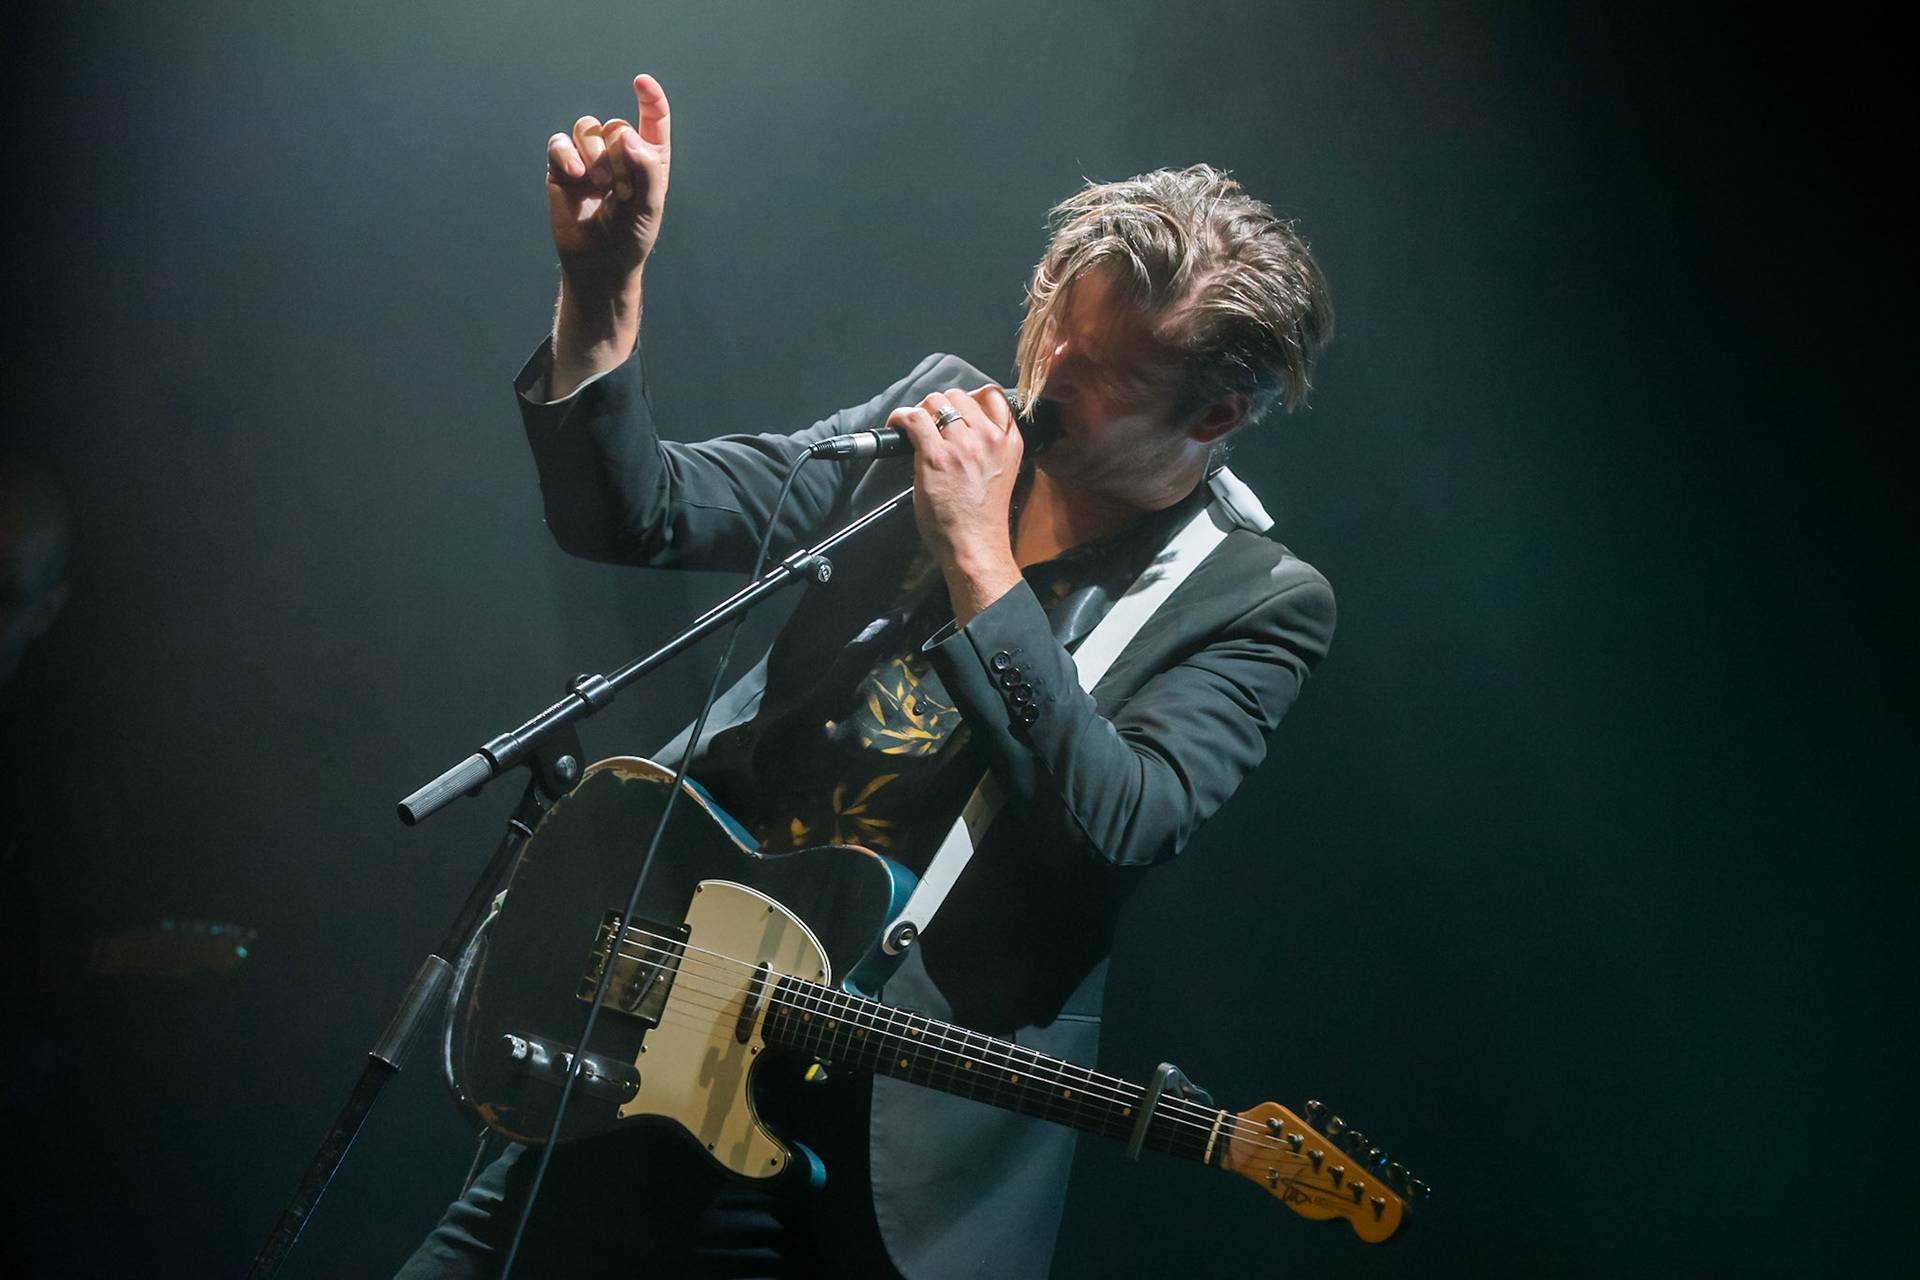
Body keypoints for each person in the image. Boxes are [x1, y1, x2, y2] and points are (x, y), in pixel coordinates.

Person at [400, 73, 1335, 1279]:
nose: (1046, 371)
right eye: (1055, 315)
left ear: (1218, 412)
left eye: (1103, 367)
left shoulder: (1251, 600)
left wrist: (979, 555)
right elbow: (637, 513)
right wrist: (603, 288)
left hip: (839, 1153)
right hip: (646, 1032)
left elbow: (1118, 825)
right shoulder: (932, 412)